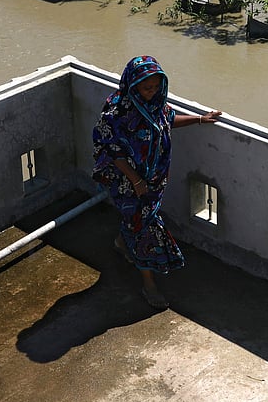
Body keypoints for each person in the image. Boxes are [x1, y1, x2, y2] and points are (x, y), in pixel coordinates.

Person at [92, 55, 222, 309]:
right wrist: (137, 181)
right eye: (146, 88)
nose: (151, 92)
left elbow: (168, 120)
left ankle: (120, 243)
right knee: (145, 228)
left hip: (154, 180)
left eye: (155, 87)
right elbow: (113, 152)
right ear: (132, 84)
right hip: (128, 183)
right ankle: (149, 284)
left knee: (136, 224)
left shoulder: (155, 105)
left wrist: (198, 119)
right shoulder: (117, 112)